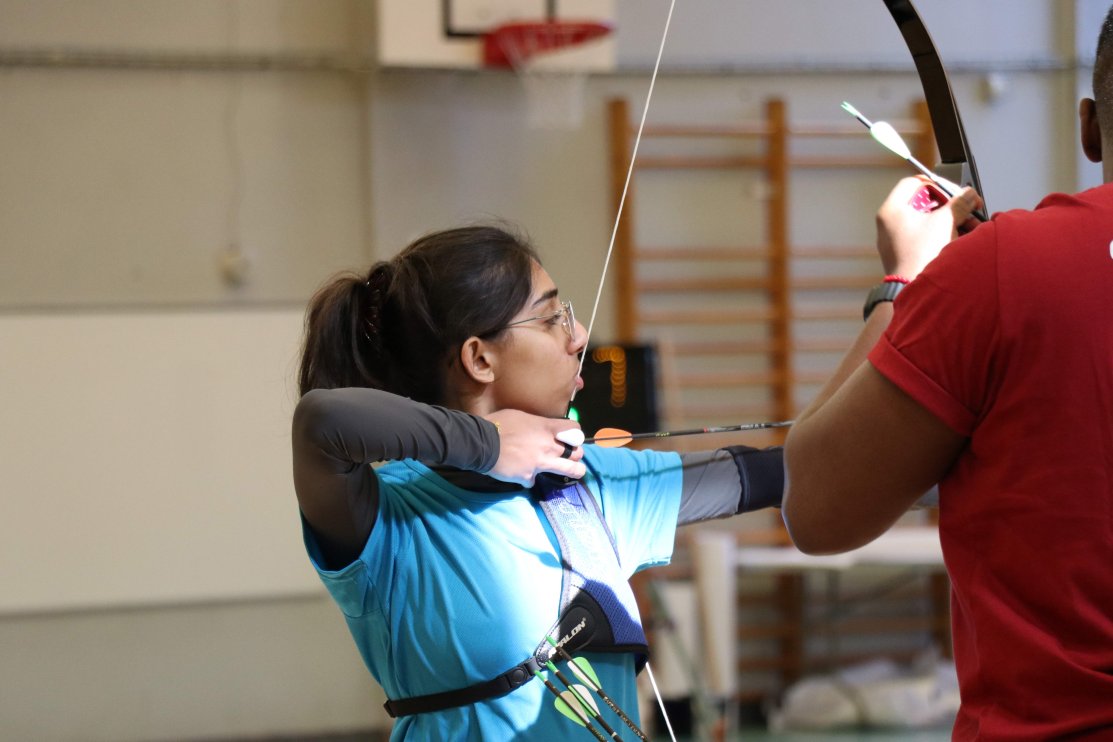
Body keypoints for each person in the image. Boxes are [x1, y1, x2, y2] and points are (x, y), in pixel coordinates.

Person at [291, 224, 785, 740]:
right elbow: (322, 422)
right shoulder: (393, 515)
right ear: (480, 358)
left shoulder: (588, 478)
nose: (579, 335)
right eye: (551, 318)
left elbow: (780, 473)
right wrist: (488, 444)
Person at [782, 11, 1113, 739]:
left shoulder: (1003, 269)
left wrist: (903, 284)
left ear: (1088, 128)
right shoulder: (1003, 269)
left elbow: (815, 508)